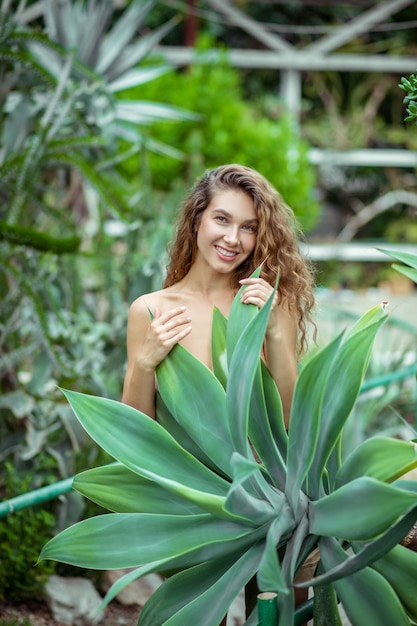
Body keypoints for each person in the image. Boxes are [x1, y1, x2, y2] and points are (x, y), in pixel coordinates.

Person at [122, 163, 317, 625]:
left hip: (280, 501)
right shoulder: (150, 310)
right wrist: (145, 363)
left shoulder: (267, 301)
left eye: (249, 228)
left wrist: (272, 336)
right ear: (197, 220)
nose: (233, 238)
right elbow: (135, 436)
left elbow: (295, 418)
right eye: (222, 220)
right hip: (199, 508)